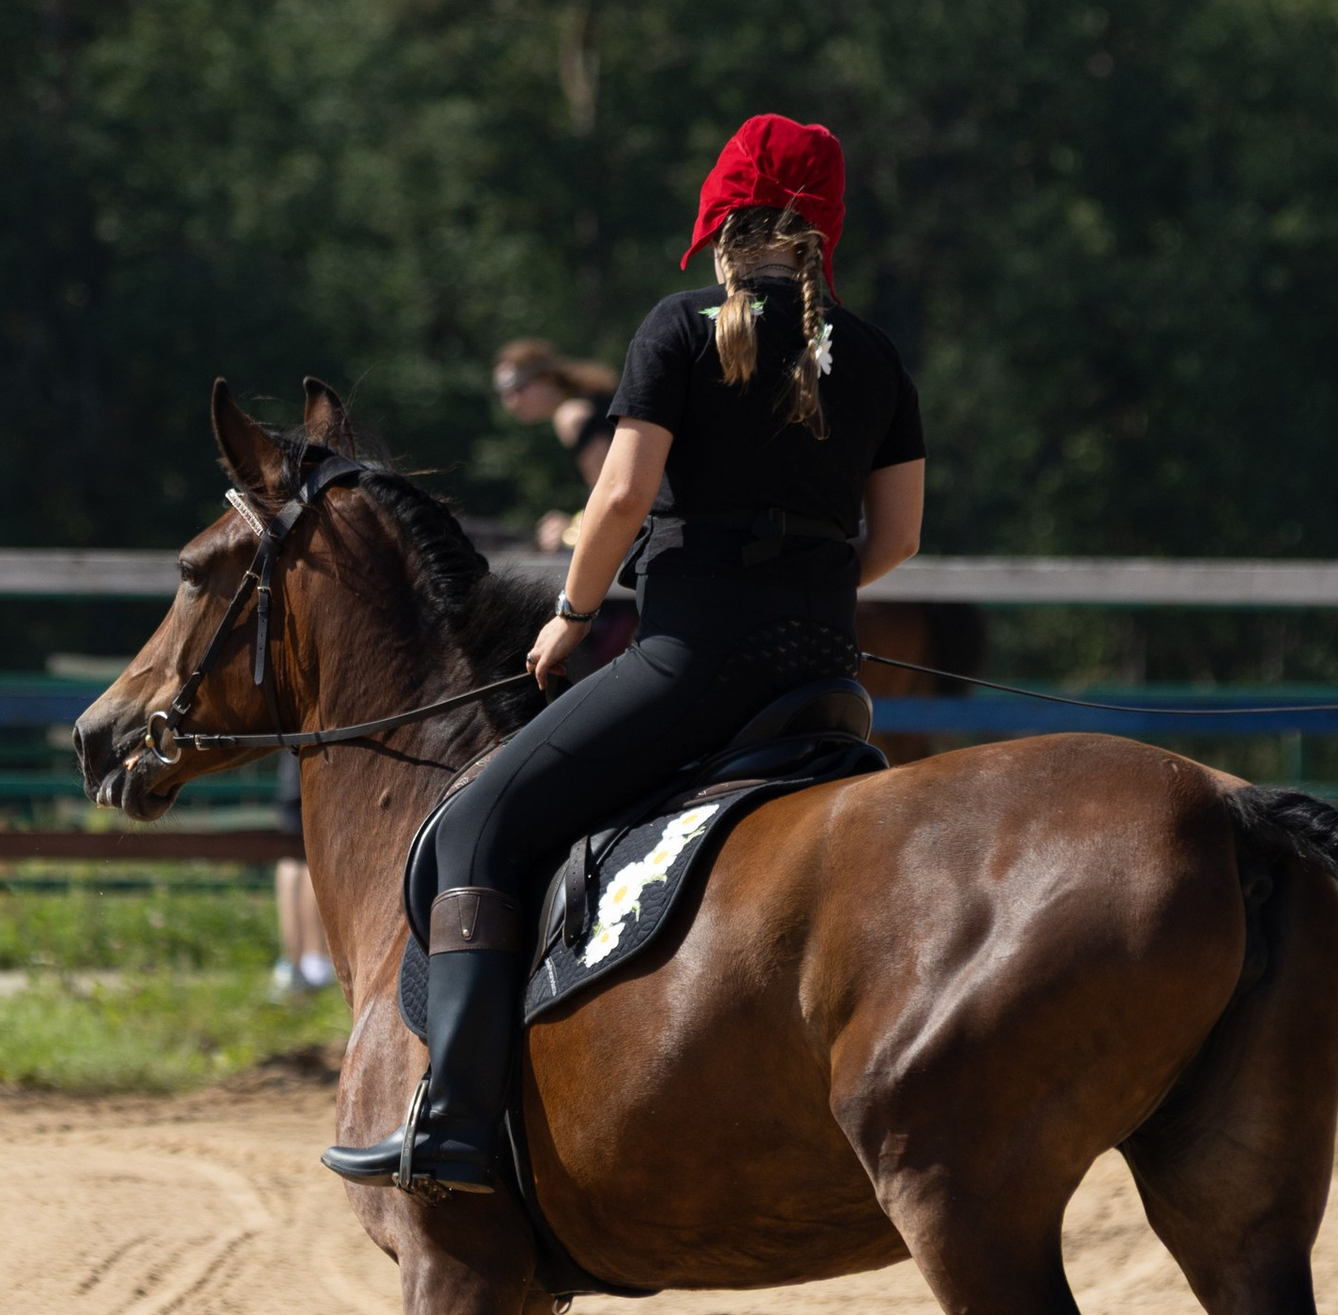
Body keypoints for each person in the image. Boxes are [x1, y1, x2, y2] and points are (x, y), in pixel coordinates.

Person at [324, 113, 925, 1195]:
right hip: (827, 682)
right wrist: (800, 591)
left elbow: (620, 493)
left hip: (692, 666)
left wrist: (568, 611)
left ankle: (458, 1122)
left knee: (474, 823)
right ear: (825, 229)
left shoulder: (677, 330)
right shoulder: (874, 356)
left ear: (723, 220)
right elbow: (899, 539)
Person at [492, 336, 621, 552]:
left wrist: (569, 531)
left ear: (547, 379)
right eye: (503, 392)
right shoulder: (588, 401)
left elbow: (612, 495)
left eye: (519, 387)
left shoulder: (572, 415)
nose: (510, 402)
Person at [269, 749, 338, 997]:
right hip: (322, 752)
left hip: (291, 757)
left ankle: (291, 963)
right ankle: (316, 959)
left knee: (291, 856)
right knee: (313, 854)